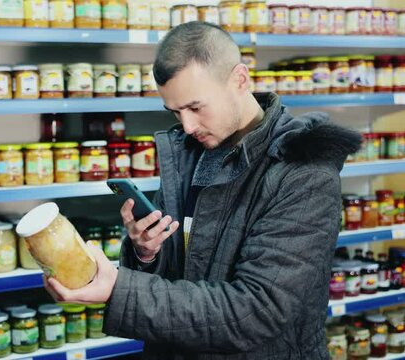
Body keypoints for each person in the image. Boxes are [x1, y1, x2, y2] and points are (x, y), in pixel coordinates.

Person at [44, 21, 361, 359]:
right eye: (175, 112)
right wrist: (146, 253)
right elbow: (181, 273)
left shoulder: (303, 172)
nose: (187, 126)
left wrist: (120, 289)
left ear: (239, 79)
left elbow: (256, 311)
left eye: (195, 107)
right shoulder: (190, 155)